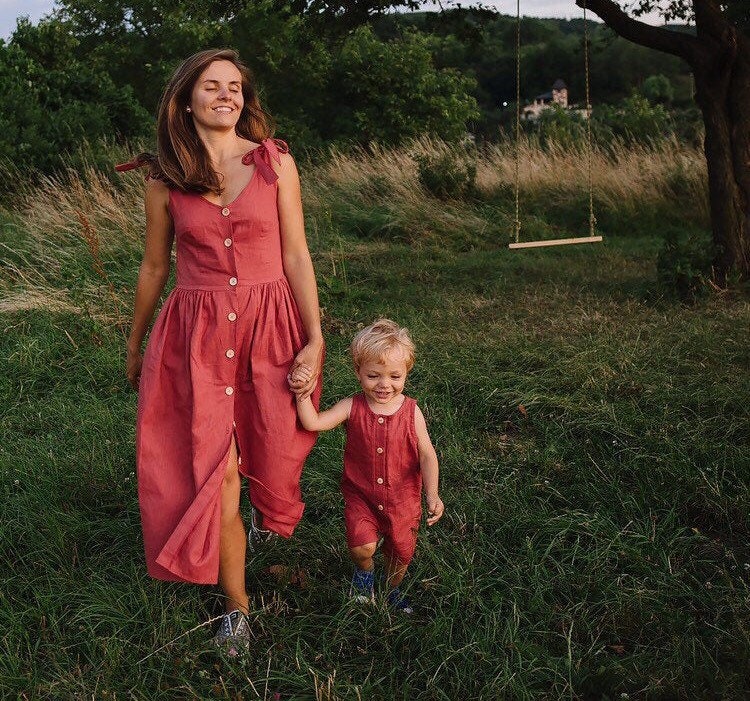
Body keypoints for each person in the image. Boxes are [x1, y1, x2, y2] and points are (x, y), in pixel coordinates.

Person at [120, 48, 323, 655]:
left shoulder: (275, 163)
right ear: (186, 98)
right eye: (211, 86)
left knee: (272, 446)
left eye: (235, 87)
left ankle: (261, 521)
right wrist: (134, 344)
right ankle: (237, 608)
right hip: (196, 341)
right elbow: (155, 267)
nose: (226, 95)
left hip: (270, 331)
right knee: (217, 469)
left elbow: (296, 256)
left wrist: (315, 337)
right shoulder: (165, 180)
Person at [289, 319, 444, 613]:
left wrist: (433, 494)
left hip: (403, 500)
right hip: (361, 495)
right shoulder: (352, 406)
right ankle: (364, 574)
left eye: (395, 376)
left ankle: (391, 589)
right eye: (373, 375)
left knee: (400, 553)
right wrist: (302, 395)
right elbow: (314, 422)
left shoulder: (412, 412)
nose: (385, 384)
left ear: (406, 373)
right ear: (358, 372)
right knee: (362, 548)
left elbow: (427, 454)